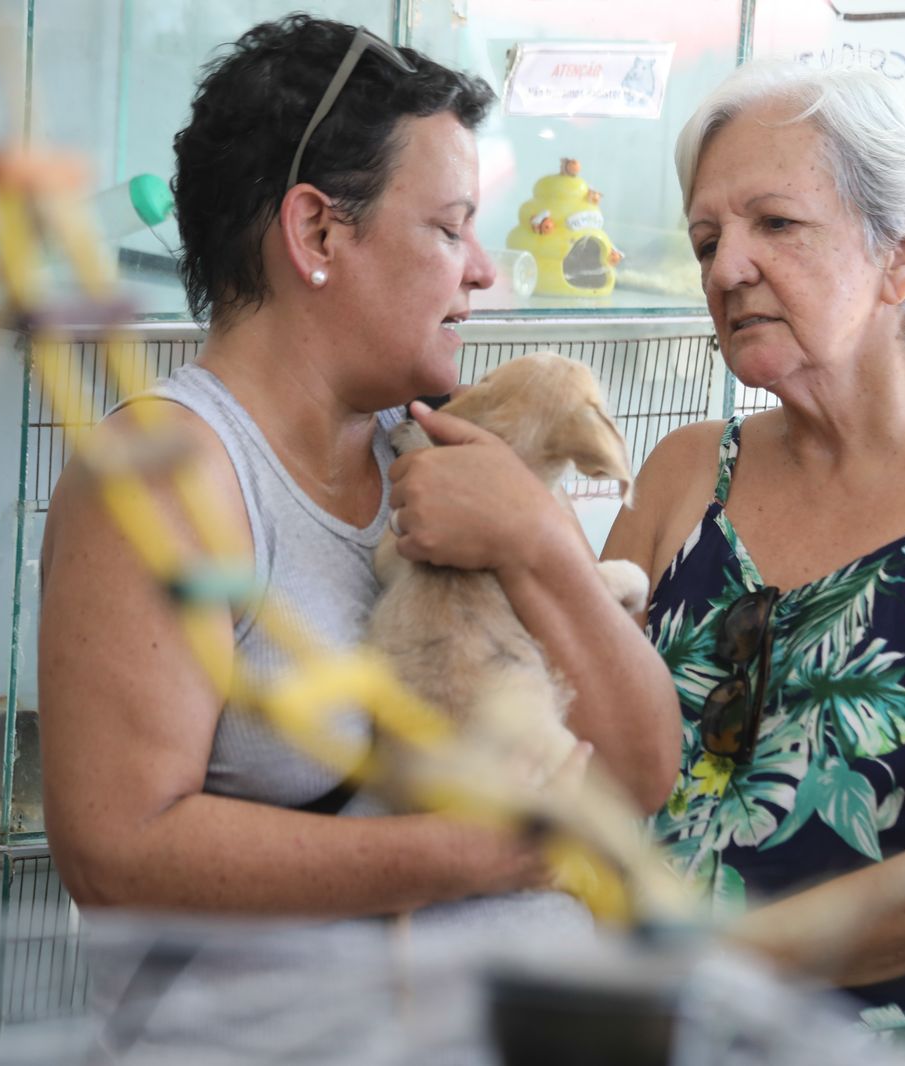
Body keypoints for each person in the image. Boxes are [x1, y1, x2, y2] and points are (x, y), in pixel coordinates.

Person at [37, 15, 680, 935]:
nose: (485, 272)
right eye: (452, 230)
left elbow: (643, 769)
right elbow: (116, 851)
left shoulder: (446, 451)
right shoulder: (167, 478)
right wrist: (468, 855)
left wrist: (540, 543)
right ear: (318, 233)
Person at [595, 63, 905, 1057]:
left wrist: (716, 955)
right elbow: (583, 765)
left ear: (899, 256)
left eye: (773, 224)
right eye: (706, 241)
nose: (727, 268)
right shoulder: (687, 471)